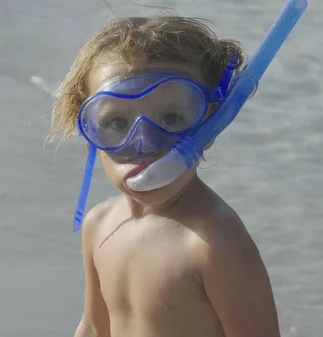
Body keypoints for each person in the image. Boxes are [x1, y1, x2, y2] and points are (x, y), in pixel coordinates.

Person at [50, 15, 281, 337]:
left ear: (211, 124)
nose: (145, 143)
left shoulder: (213, 242)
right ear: (87, 128)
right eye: (117, 122)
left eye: (171, 118)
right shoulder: (99, 224)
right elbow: (92, 326)